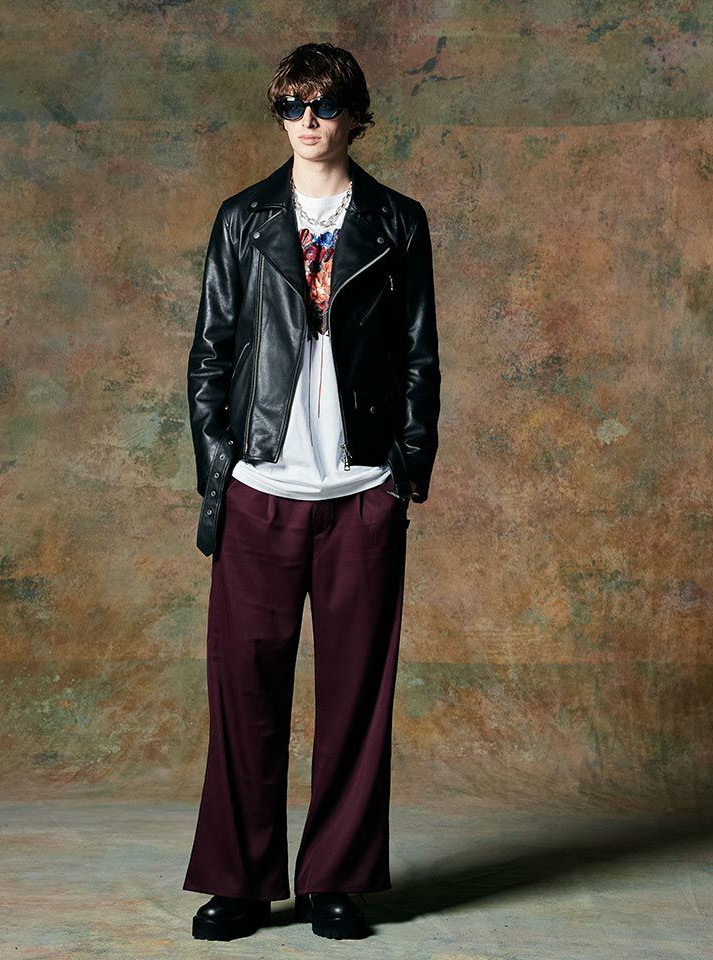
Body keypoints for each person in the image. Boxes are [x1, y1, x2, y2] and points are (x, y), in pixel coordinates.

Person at [184, 41, 440, 941]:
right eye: (291, 105)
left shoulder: (399, 221)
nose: (306, 122)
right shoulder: (244, 218)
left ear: (355, 116)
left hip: (362, 492)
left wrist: (404, 471)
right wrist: (222, 468)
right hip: (260, 489)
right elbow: (210, 355)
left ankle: (335, 879)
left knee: (355, 698)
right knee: (244, 694)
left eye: (324, 106)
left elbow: (421, 358)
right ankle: (241, 883)